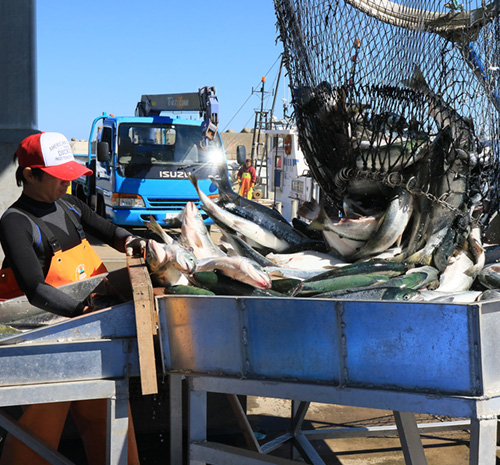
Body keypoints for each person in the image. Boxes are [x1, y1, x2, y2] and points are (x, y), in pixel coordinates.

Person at [0, 132, 145, 465]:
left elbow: (110, 231)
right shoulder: (15, 222)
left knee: (106, 419)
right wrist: (85, 309)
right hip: (41, 344)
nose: (67, 184)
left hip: (88, 334)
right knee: (39, 432)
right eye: (58, 176)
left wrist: (134, 241)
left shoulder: (69, 205)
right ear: (29, 175)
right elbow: (35, 289)